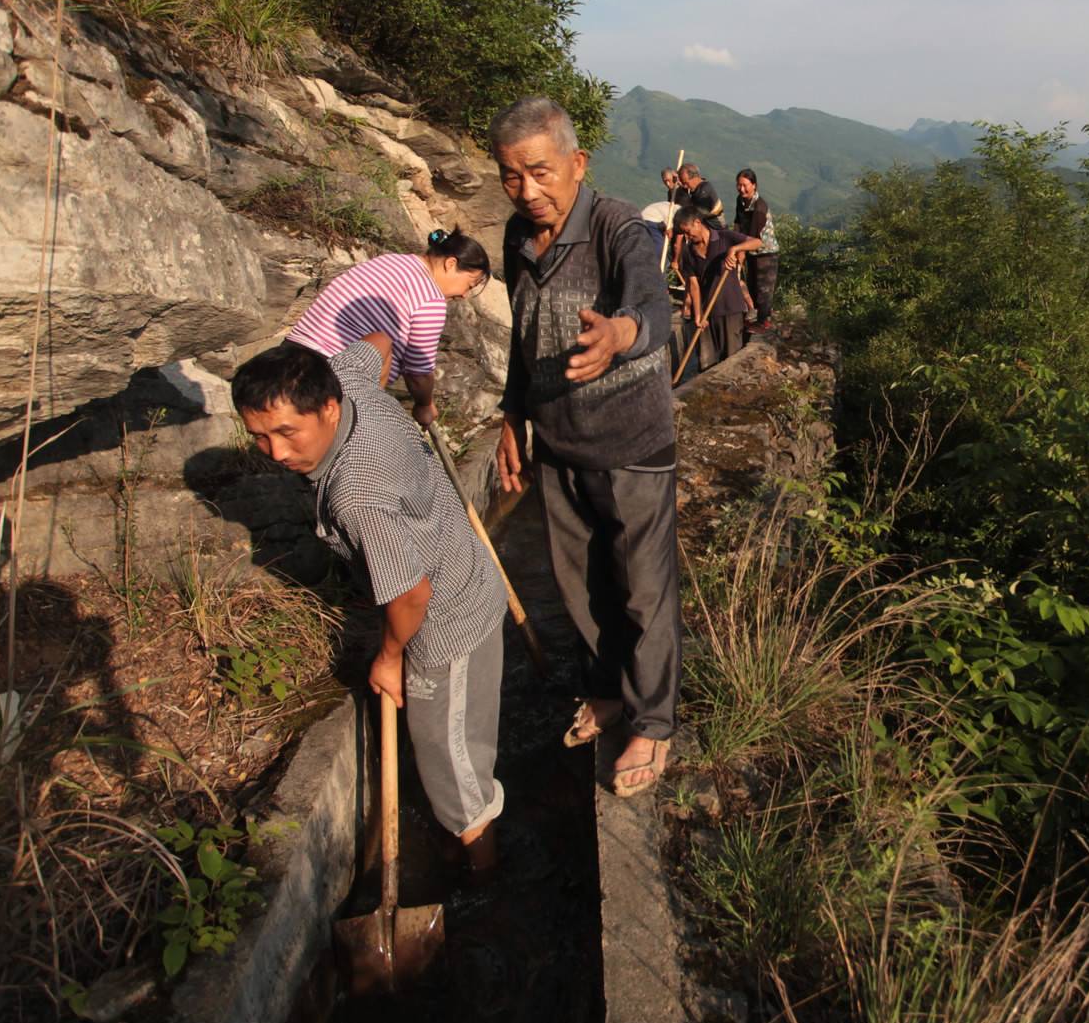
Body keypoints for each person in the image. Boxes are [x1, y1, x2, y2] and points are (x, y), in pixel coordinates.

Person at [232, 334, 506, 869]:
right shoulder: (348, 380)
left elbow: (410, 594)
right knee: (460, 742)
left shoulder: (357, 493)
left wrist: (389, 658)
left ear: (328, 408)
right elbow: (379, 343)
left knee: (452, 771)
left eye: (287, 432)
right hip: (464, 570)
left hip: (446, 623)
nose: (277, 453)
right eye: (259, 437)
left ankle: (484, 872)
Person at [490, 96, 680, 797]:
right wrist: (514, 413)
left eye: (540, 171)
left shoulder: (616, 226)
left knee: (643, 590)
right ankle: (607, 691)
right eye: (511, 176)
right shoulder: (518, 238)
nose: (528, 190)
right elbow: (521, 333)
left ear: (576, 163)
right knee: (582, 586)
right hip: (559, 444)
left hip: (630, 443)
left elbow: (652, 306)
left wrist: (621, 336)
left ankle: (654, 720)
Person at [285, 229, 490, 428]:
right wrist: (424, 404)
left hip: (290, 354)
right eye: (469, 285)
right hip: (331, 376)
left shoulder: (389, 261)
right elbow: (418, 373)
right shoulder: (430, 299)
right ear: (451, 264)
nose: (464, 295)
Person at [675, 203, 760, 371]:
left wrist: (734, 250)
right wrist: (698, 315)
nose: (687, 236)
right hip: (707, 313)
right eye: (683, 233)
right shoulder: (688, 251)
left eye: (688, 231)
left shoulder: (725, 237)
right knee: (707, 364)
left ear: (698, 223)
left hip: (730, 309)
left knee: (732, 361)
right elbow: (694, 285)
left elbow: (757, 242)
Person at [733, 168, 779, 332]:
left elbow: (753, 236)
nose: (742, 189)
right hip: (750, 250)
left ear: (754, 185)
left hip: (765, 252)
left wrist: (740, 251)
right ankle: (757, 318)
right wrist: (734, 243)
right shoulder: (740, 200)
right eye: (739, 185)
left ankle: (764, 322)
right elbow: (738, 223)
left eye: (745, 185)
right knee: (752, 285)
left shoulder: (760, 207)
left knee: (764, 288)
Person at [676, 162, 726, 229]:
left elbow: (693, 213)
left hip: (718, 230)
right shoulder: (695, 190)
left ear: (695, 177)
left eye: (685, 183)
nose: (685, 186)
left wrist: (683, 192)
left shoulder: (704, 191)